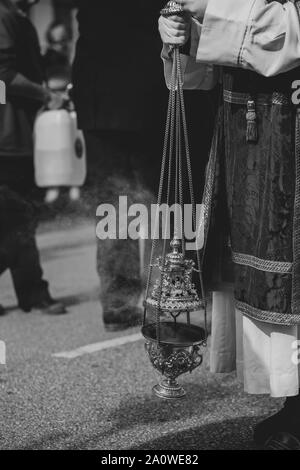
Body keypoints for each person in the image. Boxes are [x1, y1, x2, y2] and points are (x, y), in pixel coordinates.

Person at [159, 0, 300, 450]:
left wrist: (212, 9)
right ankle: (294, 399)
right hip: (249, 132)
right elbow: (213, 62)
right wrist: (185, 32)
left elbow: (286, 31)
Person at [72, 0, 214, 331]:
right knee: (161, 200)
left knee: (113, 206)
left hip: (100, 98)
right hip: (149, 93)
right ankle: (164, 301)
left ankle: (118, 304)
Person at [0, 0, 66, 315]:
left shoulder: (17, 19)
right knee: (19, 216)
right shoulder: (3, 17)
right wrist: (46, 95)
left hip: (18, 134)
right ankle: (34, 292)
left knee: (15, 217)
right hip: (7, 137)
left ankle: (32, 291)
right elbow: (3, 75)